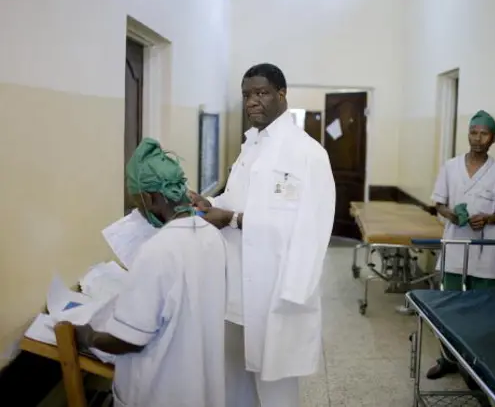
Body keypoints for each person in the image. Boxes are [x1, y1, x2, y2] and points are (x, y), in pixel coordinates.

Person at [190, 63, 336, 407]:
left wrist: (236, 219)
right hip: (238, 284)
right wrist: (209, 202)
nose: (252, 102)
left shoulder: (308, 153)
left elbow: (313, 231)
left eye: (261, 93)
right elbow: (236, 199)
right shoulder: (250, 147)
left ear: (281, 95)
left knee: (276, 389)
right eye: (246, 95)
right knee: (238, 381)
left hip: (277, 289)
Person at [73, 138, 227, 407]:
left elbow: (129, 340)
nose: (137, 210)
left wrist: (87, 336)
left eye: (137, 202)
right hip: (200, 387)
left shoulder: (157, 250)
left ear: (150, 198)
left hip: (161, 392)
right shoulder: (211, 237)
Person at [427, 110, 495, 380]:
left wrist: (488, 218)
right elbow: (439, 204)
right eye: (473, 132)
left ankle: (478, 365)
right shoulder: (450, 167)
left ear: (494, 139)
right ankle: (448, 359)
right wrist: (451, 214)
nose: (477, 139)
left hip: (485, 249)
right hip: (455, 244)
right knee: (449, 304)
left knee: (482, 308)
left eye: (484, 134)